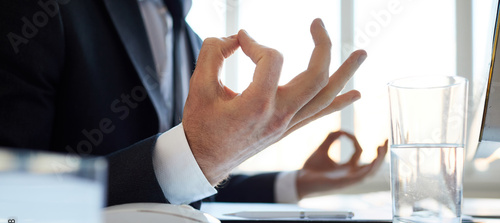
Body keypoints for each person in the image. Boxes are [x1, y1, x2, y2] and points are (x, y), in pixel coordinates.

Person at [0, 0, 387, 207]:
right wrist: (199, 153)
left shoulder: (188, 38)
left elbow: (181, 186)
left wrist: (298, 182)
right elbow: (13, 197)